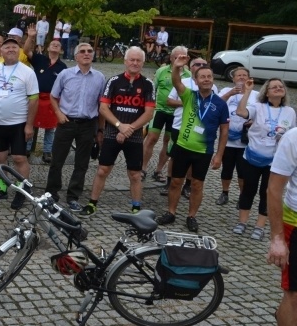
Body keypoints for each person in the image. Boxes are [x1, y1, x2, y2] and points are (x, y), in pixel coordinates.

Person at [155, 55, 229, 232]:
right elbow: (176, 81)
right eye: (202, 77)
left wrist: (219, 155)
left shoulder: (220, 103)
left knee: (197, 185)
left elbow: (224, 131)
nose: (206, 79)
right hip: (182, 147)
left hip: (203, 151)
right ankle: (171, 212)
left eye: (209, 76)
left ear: (212, 80)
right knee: (175, 182)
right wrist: (177, 67)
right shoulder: (189, 96)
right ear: (195, 80)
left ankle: (191, 216)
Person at [79, 47, 155, 217]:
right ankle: (92, 203)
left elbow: (149, 113)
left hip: (134, 135)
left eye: (138, 60)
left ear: (143, 63)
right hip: (112, 132)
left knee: (135, 174)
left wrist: (129, 129)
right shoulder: (113, 81)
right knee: (102, 170)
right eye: (132, 60)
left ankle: (136, 207)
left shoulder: (148, 84)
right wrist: (120, 126)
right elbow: (103, 108)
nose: (135, 63)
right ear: (125, 61)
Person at [0, 35, 39, 210]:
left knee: (19, 158)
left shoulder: (27, 71)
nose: (10, 49)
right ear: (0, 51)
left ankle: (21, 191)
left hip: (18, 123)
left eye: (14, 47)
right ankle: (1, 187)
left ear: (19, 50)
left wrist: (29, 125)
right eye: (7, 47)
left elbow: (34, 100)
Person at [232, 78, 296, 240]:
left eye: (280, 87)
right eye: (273, 87)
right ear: (266, 93)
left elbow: (291, 136)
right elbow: (241, 112)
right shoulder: (258, 107)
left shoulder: (290, 111)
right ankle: (242, 222)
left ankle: (260, 226)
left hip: (274, 161)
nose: (278, 89)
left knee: (267, 192)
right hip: (253, 157)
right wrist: (247, 92)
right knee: (248, 190)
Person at [45, 42, 106, 211]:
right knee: (57, 160)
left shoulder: (100, 78)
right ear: (76, 56)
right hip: (66, 123)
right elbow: (53, 96)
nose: (86, 54)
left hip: (88, 125)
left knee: (82, 163)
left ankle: (73, 196)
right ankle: (51, 194)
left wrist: (100, 129)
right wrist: (58, 113)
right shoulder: (65, 74)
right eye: (82, 51)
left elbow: (102, 105)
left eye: (89, 51)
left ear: (92, 55)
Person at [265, 127, 297, 326]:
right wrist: (277, 238)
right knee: (294, 294)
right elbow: (274, 189)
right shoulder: (293, 138)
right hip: (295, 225)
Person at [142, 46, 190, 183]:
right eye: (177, 57)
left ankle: (159, 170)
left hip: (176, 114)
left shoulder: (189, 75)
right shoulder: (161, 71)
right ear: (171, 58)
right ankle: (143, 168)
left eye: (183, 57)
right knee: (151, 138)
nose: (180, 60)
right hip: (160, 109)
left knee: (168, 142)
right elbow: (152, 89)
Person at [216, 67, 257, 206]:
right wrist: (229, 94)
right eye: (238, 75)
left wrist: (253, 121)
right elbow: (215, 104)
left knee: (243, 171)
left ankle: (242, 196)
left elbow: (262, 113)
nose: (241, 77)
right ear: (233, 79)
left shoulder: (256, 95)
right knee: (227, 168)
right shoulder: (225, 91)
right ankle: (224, 192)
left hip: (246, 140)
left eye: (245, 75)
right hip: (227, 139)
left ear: (249, 79)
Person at [29, 37, 67, 163]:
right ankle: (27, 148)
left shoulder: (63, 67)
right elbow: (26, 51)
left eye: (58, 45)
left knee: (50, 127)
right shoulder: (39, 59)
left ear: (61, 50)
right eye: (53, 44)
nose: (55, 45)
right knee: (32, 124)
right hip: (36, 97)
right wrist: (30, 37)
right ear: (47, 48)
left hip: (52, 99)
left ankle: (47, 151)